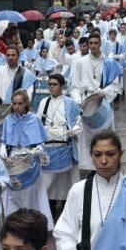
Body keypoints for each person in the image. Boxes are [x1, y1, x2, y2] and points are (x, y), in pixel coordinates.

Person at [68, 32, 124, 169]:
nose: (93, 46)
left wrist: (104, 92)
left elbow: (116, 85)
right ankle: (89, 168)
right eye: (90, 43)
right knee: (86, 139)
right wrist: (78, 101)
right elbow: (74, 86)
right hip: (86, 103)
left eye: (95, 43)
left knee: (104, 136)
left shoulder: (109, 63)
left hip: (102, 102)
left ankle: (105, 164)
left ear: (100, 44)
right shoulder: (80, 62)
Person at [0, 90, 52, 228]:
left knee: (30, 194)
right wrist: (3, 151)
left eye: (20, 103)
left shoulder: (34, 119)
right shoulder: (8, 120)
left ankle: (31, 223)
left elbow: (41, 143)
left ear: (26, 103)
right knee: (12, 193)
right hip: (13, 160)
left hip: (30, 160)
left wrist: (37, 150)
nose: (17, 107)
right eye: (14, 103)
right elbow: (4, 141)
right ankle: (14, 222)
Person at [37, 72, 81, 219]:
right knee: (47, 182)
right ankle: (48, 210)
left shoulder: (70, 103)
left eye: (54, 84)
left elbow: (77, 123)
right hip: (48, 147)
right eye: (50, 85)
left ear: (61, 86)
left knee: (63, 183)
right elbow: (38, 123)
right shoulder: (44, 102)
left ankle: (63, 212)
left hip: (64, 147)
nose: (51, 87)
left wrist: (74, 131)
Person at [0, 43, 36, 114]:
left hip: (20, 110)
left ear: (18, 56)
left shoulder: (26, 74)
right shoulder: (0, 71)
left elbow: (29, 94)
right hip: (3, 109)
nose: (10, 57)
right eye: (8, 55)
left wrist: (20, 106)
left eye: (13, 55)